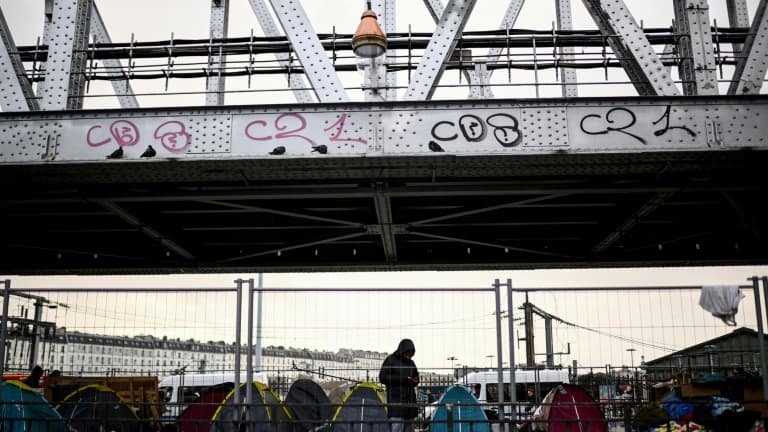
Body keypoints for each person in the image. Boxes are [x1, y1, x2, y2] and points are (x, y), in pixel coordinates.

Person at [379, 339, 419, 432]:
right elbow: (382, 377)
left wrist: (415, 380)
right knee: (396, 428)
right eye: (407, 353)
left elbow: (416, 377)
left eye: (411, 354)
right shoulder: (390, 360)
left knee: (408, 428)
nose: (409, 356)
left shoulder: (411, 363)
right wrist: (403, 379)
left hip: (410, 404)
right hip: (396, 403)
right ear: (402, 351)